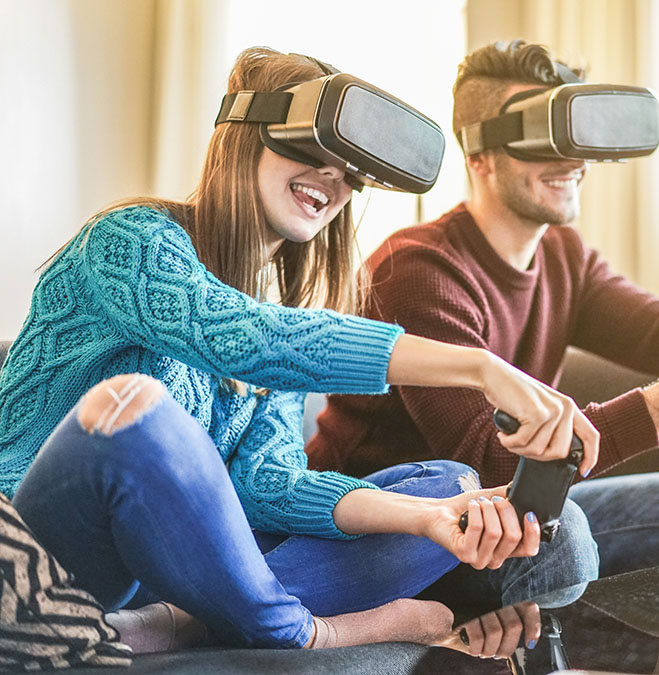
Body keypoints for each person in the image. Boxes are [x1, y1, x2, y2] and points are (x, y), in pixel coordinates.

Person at [0, 47, 602, 652]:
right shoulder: (129, 242)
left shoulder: (283, 318)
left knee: (450, 487)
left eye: (350, 169)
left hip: (169, 576)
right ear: (244, 136)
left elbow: (270, 485)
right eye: (310, 151)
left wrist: (427, 521)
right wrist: (479, 367)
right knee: (134, 408)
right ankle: (301, 630)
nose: (333, 179)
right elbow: (244, 340)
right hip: (50, 552)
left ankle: (177, 625)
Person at [306, 39, 659, 577]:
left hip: (506, 515)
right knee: (559, 533)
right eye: (541, 136)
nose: (573, 160)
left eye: (574, 136)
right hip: (392, 531)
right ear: (478, 154)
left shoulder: (562, 255)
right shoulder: (415, 270)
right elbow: (489, 463)